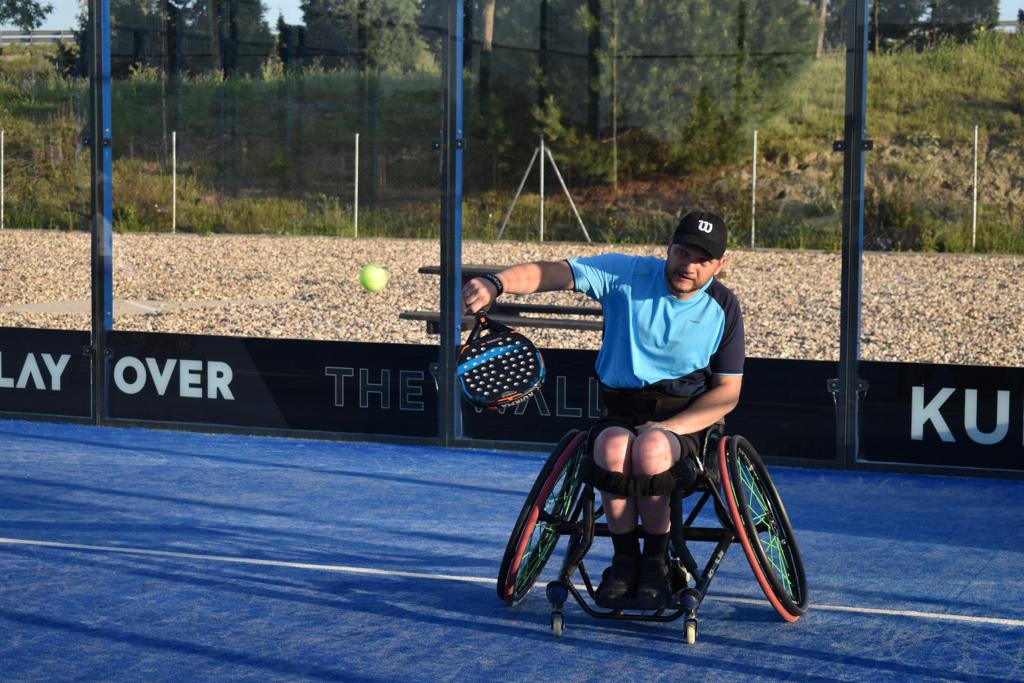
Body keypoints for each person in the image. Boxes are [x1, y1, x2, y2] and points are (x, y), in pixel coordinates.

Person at [463, 210, 744, 609]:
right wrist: (496, 283)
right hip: (621, 408)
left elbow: (727, 393)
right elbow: (553, 273)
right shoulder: (624, 274)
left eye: (702, 259)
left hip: (685, 417)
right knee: (613, 449)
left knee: (651, 449)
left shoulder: (724, 307)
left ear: (720, 264)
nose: (689, 265)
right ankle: (625, 560)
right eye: (683, 252)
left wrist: (669, 426)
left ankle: (658, 562)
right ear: (669, 246)